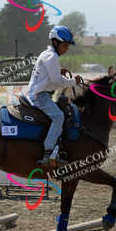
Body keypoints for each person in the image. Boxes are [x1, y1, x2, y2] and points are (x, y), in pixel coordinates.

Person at [26, 26, 84, 166]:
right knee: (59, 116)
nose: (66, 49)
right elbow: (56, 81)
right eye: (65, 45)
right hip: (39, 95)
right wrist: (73, 82)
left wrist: (59, 72)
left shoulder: (47, 54)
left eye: (67, 46)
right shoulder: (52, 57)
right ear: (56, 42)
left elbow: (52, 76)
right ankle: (48, 152)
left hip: (38, 92)